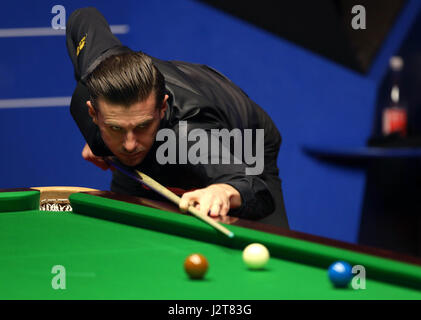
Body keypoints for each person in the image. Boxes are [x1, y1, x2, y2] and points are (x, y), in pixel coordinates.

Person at [66, 7, 289, 228]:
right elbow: (83, 16)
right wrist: (99, 137)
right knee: (123, 226)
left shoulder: (188, 133)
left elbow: (259, 192)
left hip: (241, 136)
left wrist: (223, 190)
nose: (130, 144)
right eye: (116, 128)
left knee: (265, 238)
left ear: (162, 107)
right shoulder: (92, 79)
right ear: (94, 113)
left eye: (142, 126)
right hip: (159, 141)